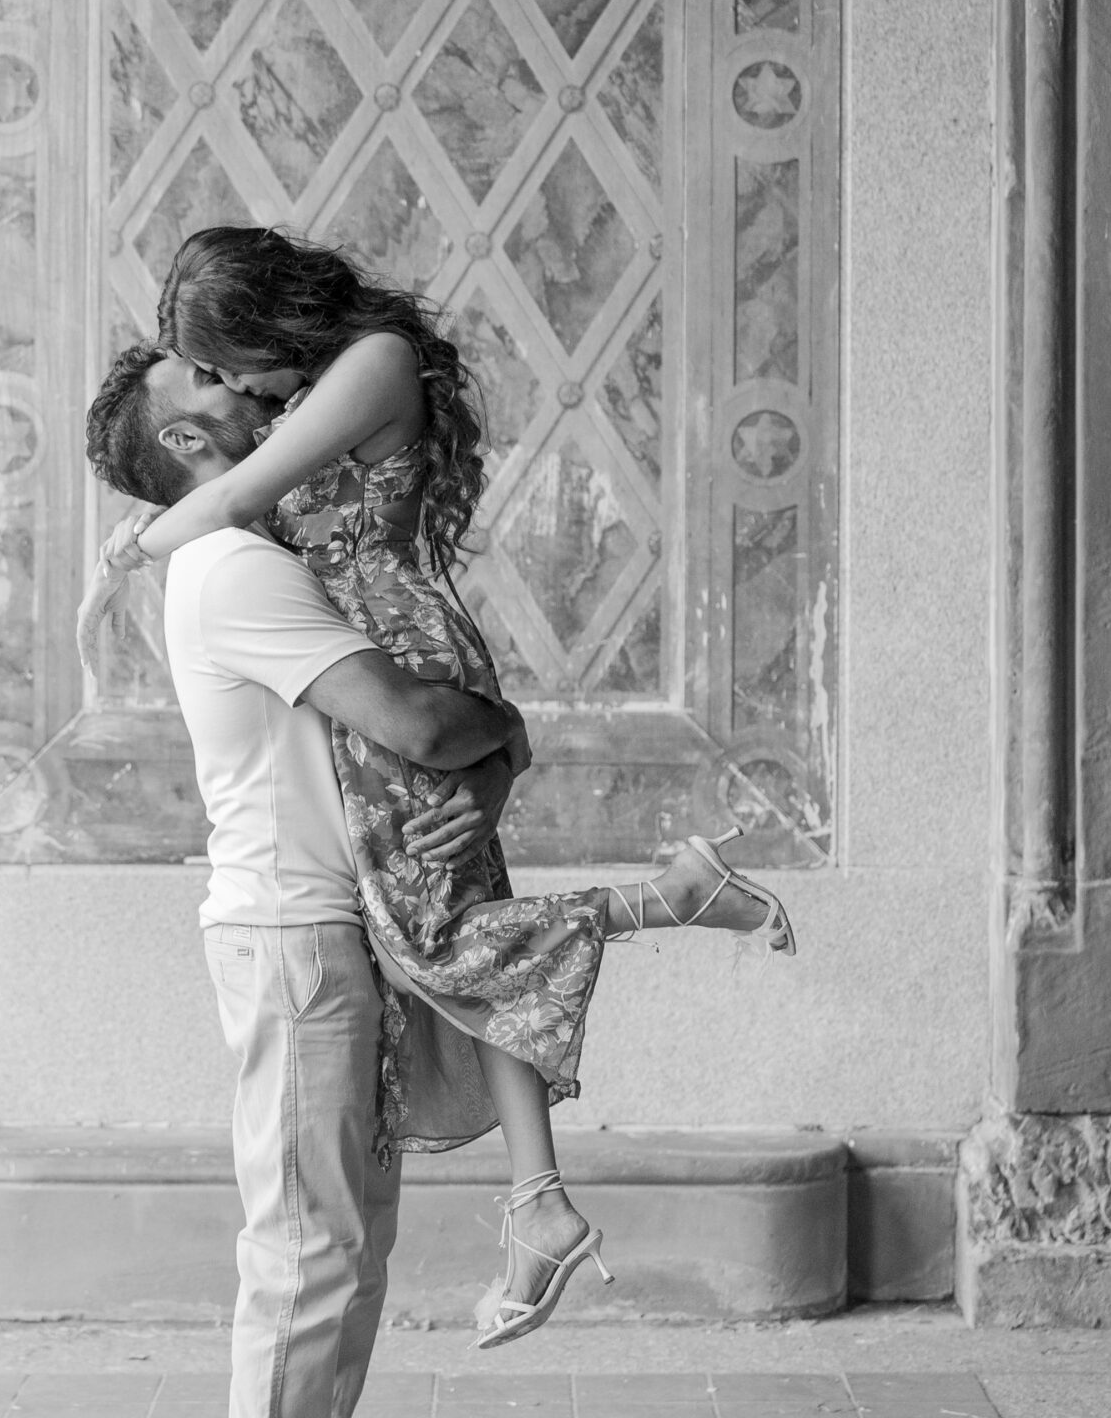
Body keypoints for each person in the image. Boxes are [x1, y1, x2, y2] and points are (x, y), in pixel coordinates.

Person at [79, 227, 795, 1352]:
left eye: (227, 364)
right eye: (214, 380)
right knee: (448, 928)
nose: (242, 391)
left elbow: (225, 505)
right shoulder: (323, 387)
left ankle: (670, 902)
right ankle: (540, 1200)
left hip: (403, 655)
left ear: (270, 321)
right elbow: (234, 501)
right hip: (382, 661)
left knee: (432, 932)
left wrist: (126, 553)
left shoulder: (371, 361)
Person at [84, 342, 531, 1418]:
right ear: (182, 444)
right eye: (208, 383)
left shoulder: (246, 553)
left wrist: (490, 735)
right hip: (291, 937)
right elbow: (409, 722)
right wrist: (499, 732)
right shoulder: (230, 567)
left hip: (332, 928)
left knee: (351, 1230)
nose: (253, 390)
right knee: (303, 1239)